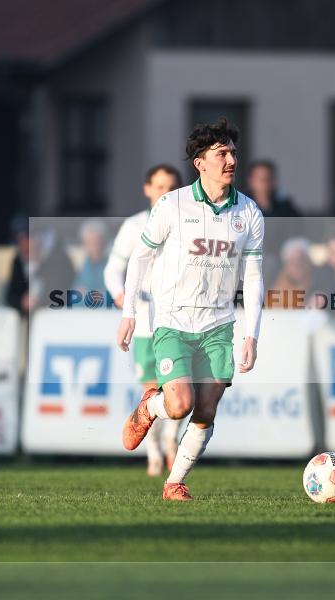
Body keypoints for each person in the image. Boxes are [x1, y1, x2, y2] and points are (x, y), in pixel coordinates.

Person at [116, 118, 264, 501]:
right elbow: (140, 257)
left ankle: (174, 482)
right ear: (200, 163)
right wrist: (128, 312)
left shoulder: (248, 213)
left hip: (218, 325)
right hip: (174, 321)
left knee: (207, 410)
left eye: (233, 152)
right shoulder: (172, 204)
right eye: (221, 154)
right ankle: (150, 407)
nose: (231, 160)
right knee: (179, 404)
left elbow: (253, 275)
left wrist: (252, 335)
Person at [104, 164, 184, 476]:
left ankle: (171, 440)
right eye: (160, 186)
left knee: (178, 386)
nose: (166, 192)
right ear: (148, 189)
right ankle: (153, 453)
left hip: (178, 319)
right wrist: (120, 294)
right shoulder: (134, 225)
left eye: (172, 187)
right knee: (150, 390)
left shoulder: (187, 224)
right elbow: (113, 268)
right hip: (145, 323)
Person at [72, 219, 111, 304]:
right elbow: (73, 297)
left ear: (105, 243)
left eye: (97, 242)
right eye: (90, 242)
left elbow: (114, 296)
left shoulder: (113, 265)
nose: (94, 247)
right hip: (83, 314)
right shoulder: (81, 266)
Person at [269, 237, 314, 309]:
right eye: (292, 261)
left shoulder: (319, 286)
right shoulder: (275, 295)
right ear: (285, 265)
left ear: (308, 262)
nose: (297, 265)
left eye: (301, 260)